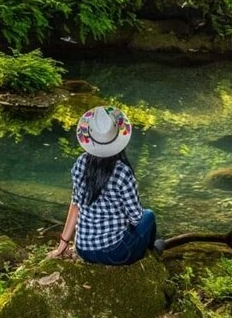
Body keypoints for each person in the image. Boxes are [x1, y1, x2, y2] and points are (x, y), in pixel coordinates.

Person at [48, 106, 163, 265]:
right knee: (148, 216)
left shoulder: (81, 162)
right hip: (114, 254)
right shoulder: (122, 172)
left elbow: (75, 205)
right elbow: (136, 217)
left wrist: (63, 244)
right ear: (118, 138)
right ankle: (152, 250)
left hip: (83, 249)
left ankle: (148, 248)